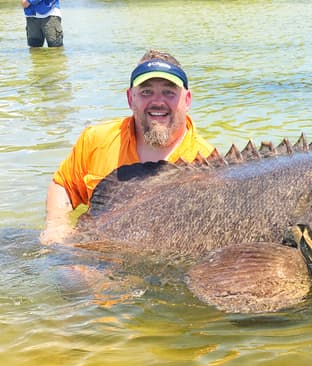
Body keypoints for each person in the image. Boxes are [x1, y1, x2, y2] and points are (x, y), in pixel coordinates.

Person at [41, 49, 216, 245]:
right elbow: (63, 185)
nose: (158, 102)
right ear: (130, 98)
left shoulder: (207, 163)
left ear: (187, 100)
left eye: (169, 92)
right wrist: (57, 226)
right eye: (146, 91)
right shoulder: (97, 139)